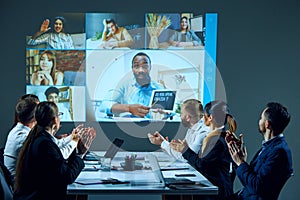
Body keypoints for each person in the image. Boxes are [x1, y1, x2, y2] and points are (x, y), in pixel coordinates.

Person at [13, 101, 95, 200]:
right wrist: (80, 154)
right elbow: (67, 177)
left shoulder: (40, 138)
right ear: (55, 120)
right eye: (59, 115)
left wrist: (75, 145)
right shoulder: (44, 144)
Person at [170, 100, 236, 199]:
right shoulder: (220, 137)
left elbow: (202, 165)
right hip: (217, 187)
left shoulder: (217, 141)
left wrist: (184, 150)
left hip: (216, 193)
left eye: (204, 115)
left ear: (210, 117)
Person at [226, 102, 293, 200]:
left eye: (261, 118)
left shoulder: (279, 152)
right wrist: (238, 156)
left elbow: (257, 187)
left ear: (267, 124)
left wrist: (241, 163)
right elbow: (250, 180)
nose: (259, 120)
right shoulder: (271, 147)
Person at [101, 52, 165, 118]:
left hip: (148, 126)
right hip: (125, 125)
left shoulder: (158, 87)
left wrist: (167, 111)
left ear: (150, 67)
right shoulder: (123, 85)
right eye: (136, 66)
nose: (141, 70)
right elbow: (104, 105)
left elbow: (174, 108)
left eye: (145, 66)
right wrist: (129, 108)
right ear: (132, 68)